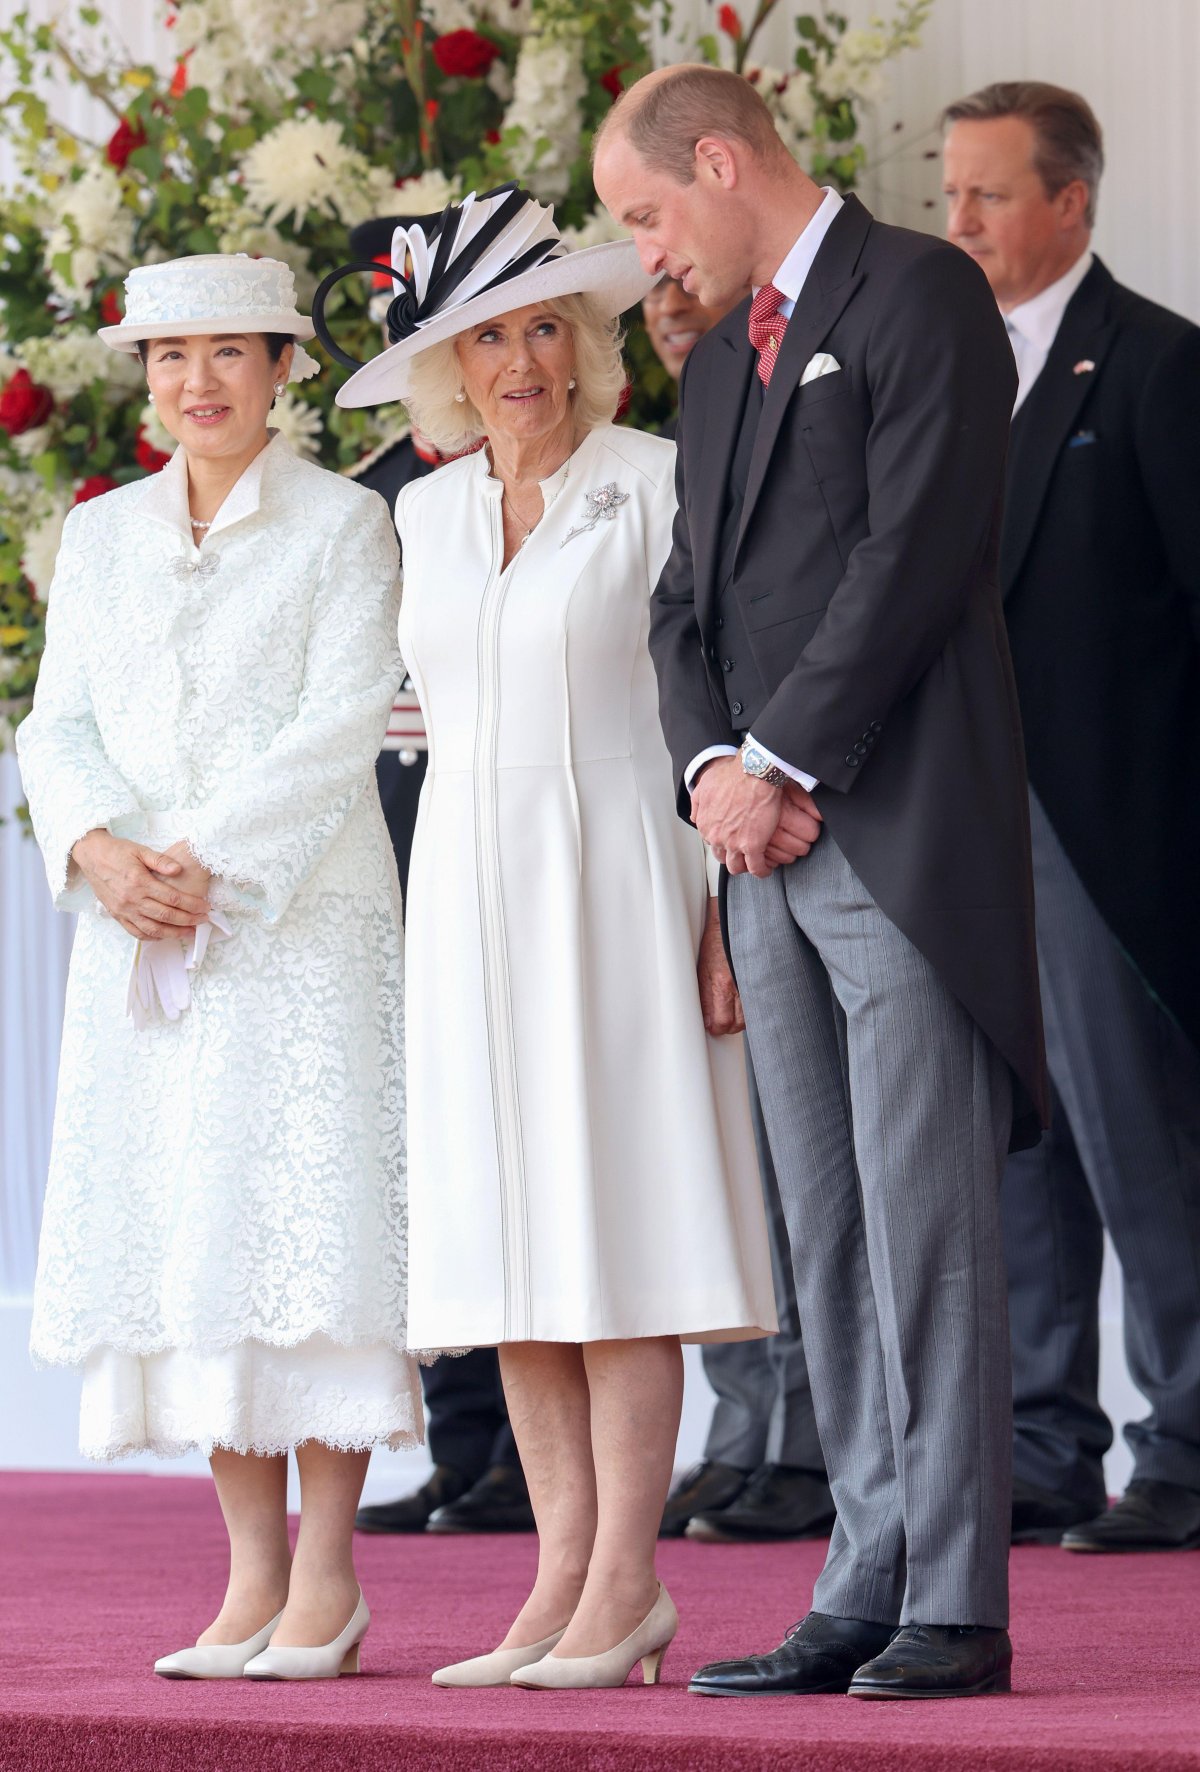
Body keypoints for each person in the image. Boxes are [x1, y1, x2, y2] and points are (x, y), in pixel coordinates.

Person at [594, 66, 1048, 1701]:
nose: (649, 249)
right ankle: (861, 1576)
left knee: (929, 1229)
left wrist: (780, 759)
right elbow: (676, 604)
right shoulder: (719, 362)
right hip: (757, 856)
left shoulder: (919, 289)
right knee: (827, 1242)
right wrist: (712, 771)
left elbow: (919, 550)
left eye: (648, 212)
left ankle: (955, 1593)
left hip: (898, 834)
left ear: (720, 161)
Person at [321, 180, 779, 1691]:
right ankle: (559, 1577)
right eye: (485, 339)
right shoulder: (428, 512)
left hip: (628, 882)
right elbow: (411, 728)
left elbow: (723, 700)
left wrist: (725, 916)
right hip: (466, 893)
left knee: (614, 1232)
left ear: (584, 344)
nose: (518, 361)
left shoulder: (655, 477)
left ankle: (629, 1582)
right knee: (507, 1251)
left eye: (542, 330)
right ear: (447, 369)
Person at [16, 253, 422, 1681]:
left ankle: (329, 1576)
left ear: (283, 368)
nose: (199, 383)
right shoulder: (103, 533)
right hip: (140, 933)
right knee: (196, 1239)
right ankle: (248, 1577)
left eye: (230, 356)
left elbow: (342, 718)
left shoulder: (344, 526)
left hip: (297, 930)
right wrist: (102, 854)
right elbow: (52, 725)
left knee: (300, 1232)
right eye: (171, 358)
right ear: (143, 377)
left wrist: (196, 862)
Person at [943, 83, 1200, 1555]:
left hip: (1113, 833)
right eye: (951, 192)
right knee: (1012, 1145)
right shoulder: (932, 371)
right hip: (960, 830)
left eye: (989, 194)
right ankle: (1047, 1445)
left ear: (1071, 205)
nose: (959, 221)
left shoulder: (1162, 369)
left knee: (1138, 1140)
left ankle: (1189, 1439)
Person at [342, 210, 532, 1540]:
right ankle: (464, 1442)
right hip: (396, 839)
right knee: (432, 1155)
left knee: (523, 1136)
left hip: (520, 826)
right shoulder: (370, 490)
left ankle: (531, 1449)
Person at [642, 275, 833, 1546]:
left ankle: (810, 1445)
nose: (667, 295)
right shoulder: (695, 414)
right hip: (711, 812)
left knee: (803, 1168)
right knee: (736, 1169)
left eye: (674, 266)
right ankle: (746, 1431)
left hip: (792, 813)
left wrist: (766, 782)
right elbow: (678, 640)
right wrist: (719, 783)